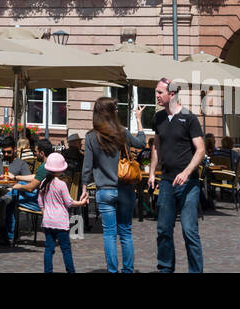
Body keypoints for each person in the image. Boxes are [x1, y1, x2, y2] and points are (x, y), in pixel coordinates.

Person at [81, 96, 149, 273]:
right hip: (125, 189)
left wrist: (83, 188)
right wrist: (139, 121)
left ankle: (112, 271)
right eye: (115, 109)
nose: (118, 111)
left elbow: (87, 167)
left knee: (109, 234)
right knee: (125, 232)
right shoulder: (122, 132)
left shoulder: (90, 137)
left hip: (105, 191)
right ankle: (128, 270)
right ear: (110, 112)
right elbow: (142, 143)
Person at [149, 77, 205, 273]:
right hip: (166, 181)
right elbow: (156, 146)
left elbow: (200, 150)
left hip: (188, 183)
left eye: (159, 93)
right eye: (156, 92)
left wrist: (187, 172)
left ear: (171, 94)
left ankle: (195, 271)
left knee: (189, 231)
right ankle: (165, 268)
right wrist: (151, 173)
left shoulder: (189, 118)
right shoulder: (158, 118)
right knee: (163, 229)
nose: (156, 96)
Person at [38, 152, 85, 273]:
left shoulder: (44, 182)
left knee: (49, 249)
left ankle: (47, 271)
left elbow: (40, 201)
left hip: (48, 222)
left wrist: (45, 213)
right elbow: (69, 202)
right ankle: (71, 271)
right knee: (66, 250)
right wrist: (81, 202)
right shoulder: (61, 184)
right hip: (60, 222)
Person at [0, 136, 32, 245]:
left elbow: (28, 181)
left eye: (8, 152)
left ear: (14, 150)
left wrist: (15, 181)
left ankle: (4, 234)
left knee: (4, 200)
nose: (6, 155)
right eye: (4, 152)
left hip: (12, 192)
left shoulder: (21, 164)